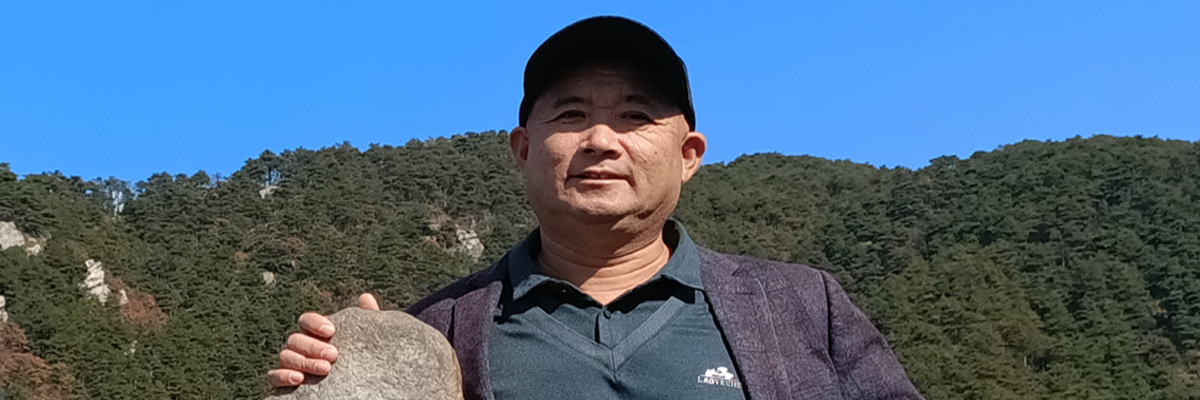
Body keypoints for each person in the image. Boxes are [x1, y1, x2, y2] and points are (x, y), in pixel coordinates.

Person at [267, 16, 924, 400]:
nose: (602, 140)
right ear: (523, 149)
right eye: (572, 114)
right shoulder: (437, 331)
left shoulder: (804, 307)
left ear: (689, 154)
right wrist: (342, 375)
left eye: (635, 115)